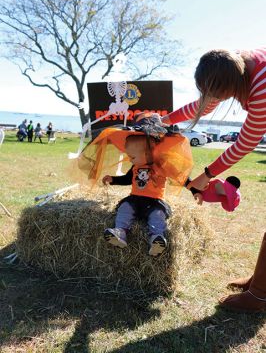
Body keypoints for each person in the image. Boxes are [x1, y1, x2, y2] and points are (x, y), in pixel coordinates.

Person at [162, 48, 266, 312]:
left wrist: (205, 175)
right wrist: (165, 120)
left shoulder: (261, 88)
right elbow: (202, 105)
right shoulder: (234, 66)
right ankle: (260, 281)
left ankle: (260, 296)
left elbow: (244, 143)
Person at [77, 112, 193, 257]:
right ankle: (120, 232)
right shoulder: (136, 167)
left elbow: (181, 177)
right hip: (134, 199)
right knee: (124, 209)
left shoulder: (162, 165)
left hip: (155, 202)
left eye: (132, 157)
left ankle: (156, 238)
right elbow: (128, 179)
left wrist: (195, 190)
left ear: (149, 152)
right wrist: (113, 179)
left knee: (157, 216)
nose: (130, 160)